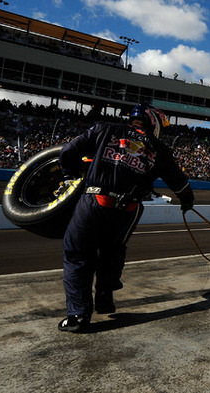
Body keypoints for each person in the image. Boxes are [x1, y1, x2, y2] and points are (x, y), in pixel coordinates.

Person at [57, 103, 195, 333]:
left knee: (77, 255)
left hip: (95, 200)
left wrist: (71, 174)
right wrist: (187, 201)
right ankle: (105, 297)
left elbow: (68, 151)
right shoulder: (160, 148)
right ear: (153, 123)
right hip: (128, 209)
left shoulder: (104, 128)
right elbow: (180, 183)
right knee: (114, 250)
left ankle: (78, 315)